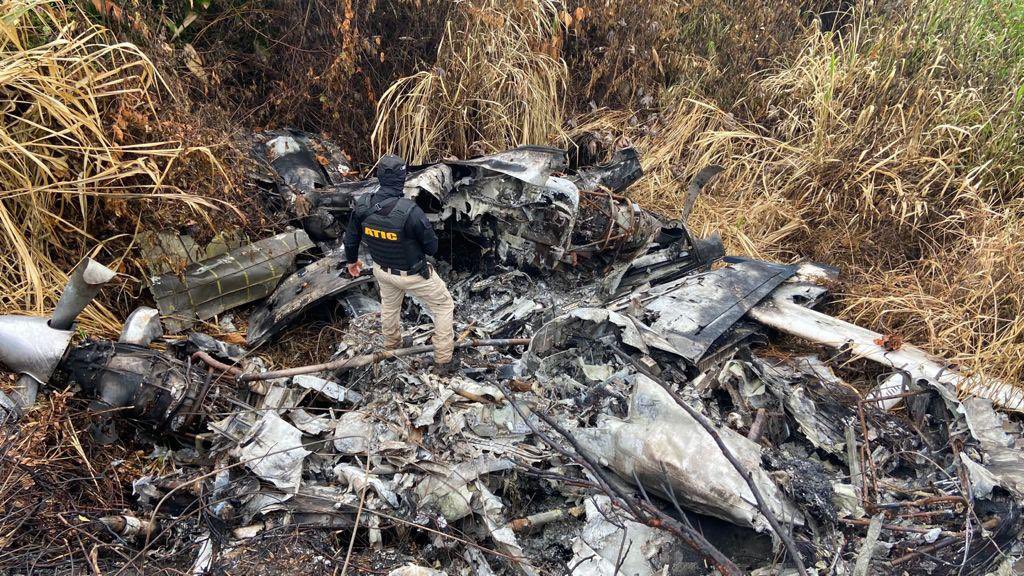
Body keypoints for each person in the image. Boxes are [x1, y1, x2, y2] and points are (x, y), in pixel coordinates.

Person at [343, 154, 456, 374]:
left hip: (382, 270)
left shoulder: (363, 204)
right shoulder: (410, 211)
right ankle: (443, 360)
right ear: (402, 178)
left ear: (379, 176)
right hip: (413, 274)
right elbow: (431, 248)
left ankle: (392, 347)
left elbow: (350, 238)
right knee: (443, 306)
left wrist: (351, 261)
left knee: (389, 307)